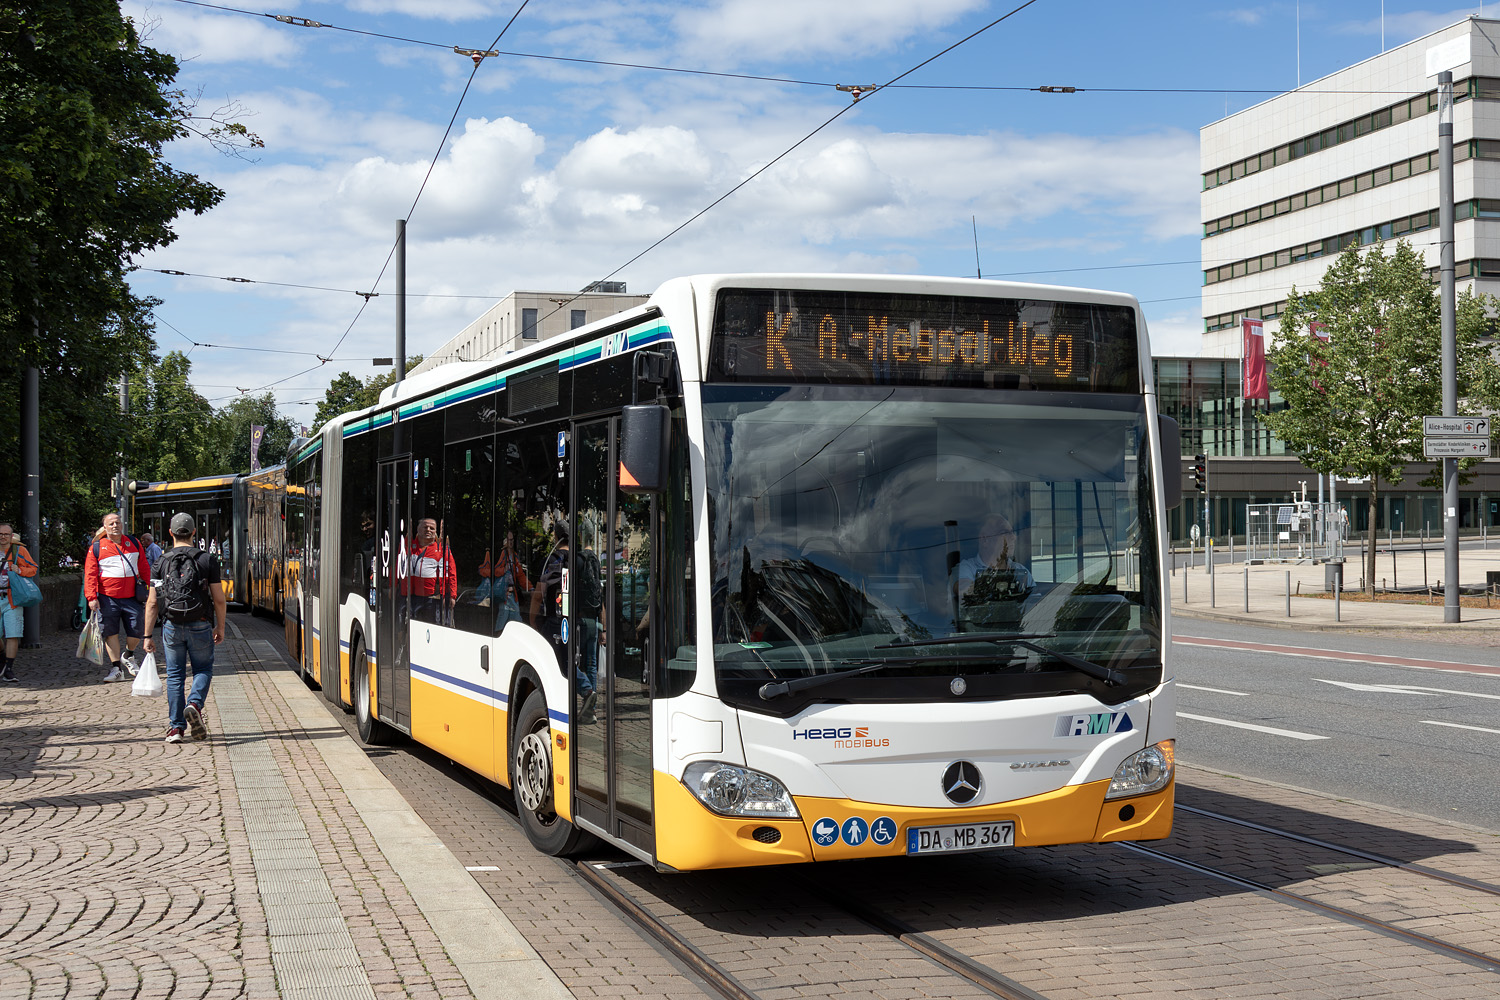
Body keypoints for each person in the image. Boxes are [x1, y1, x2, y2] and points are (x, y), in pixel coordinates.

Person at [142, 512, 226, 744]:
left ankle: (175, 729)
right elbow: (219, 598)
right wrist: (220, 626)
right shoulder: (207, 560)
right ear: (194, 532)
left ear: (170, 533)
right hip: (200, 623)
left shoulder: (160, 562)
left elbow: (152, 602)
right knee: (203, 670)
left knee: (175, 676)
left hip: (171, 625)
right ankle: (195, 704)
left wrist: (147, 635)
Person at [84, 512, 152, 682]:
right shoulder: (97, 548)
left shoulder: (134, 543)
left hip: (132, 597)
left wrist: (152, 586)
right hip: (107, 597)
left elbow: (143, 566)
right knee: (110, 632)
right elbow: (90, 574)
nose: (115, 526)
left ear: (122, 525)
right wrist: (91, 597)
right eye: (111, 524)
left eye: (117, 523)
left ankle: (128, 655)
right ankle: (116, 669)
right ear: (105, 528)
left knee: (137, 631)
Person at [953, 513, 1034, 603]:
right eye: (1005, 533)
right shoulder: (966, 568)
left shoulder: (1020, 570)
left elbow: (1035, 603)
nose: (1013, 537)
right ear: (984, 540)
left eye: (1012, 532)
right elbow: (962, 589)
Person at [0, 523, 38, 683]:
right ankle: (3, 659)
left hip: (12, 598)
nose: (3, 537)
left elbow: (33, 568)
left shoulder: (18, 550)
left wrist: (19, 570)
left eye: (6, 534)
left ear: (11, 536)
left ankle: (9, 668)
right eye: (0, 534)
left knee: (12, 634)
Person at [407, 517, 457, 624]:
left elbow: (452, 573)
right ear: (418, 529)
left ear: (435, 532)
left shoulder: (442, 549)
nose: (428, 530)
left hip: (433, 599)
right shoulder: (411, 548)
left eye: (432, 528)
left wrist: (452, 595)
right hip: (415, 598)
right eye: (425, 527)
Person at [492, 528, 530, 633]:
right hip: (506, 594)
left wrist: (529, 587)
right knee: (510, 617)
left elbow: (520, 575)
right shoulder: (503, 554)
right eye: (509, 540)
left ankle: (499, 634)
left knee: (509, 617)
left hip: (512, 594)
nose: (511, 542)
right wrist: (504, 569)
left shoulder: (515, 556)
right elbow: (496, 571)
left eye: (512, 540)